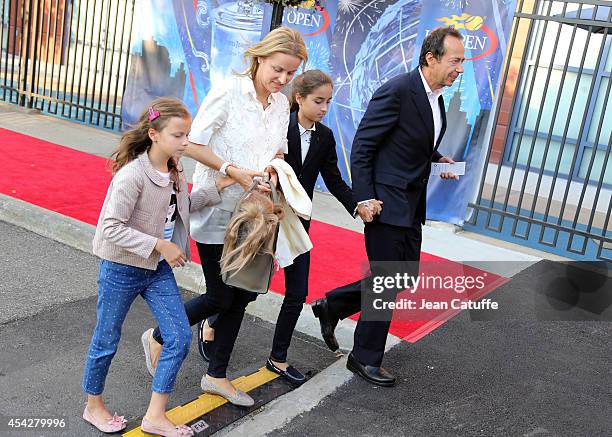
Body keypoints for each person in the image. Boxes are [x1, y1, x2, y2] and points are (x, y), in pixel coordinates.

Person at [142, 26, 308, 407]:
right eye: (277, 69)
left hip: (255, 214)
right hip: (217, 207)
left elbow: (277, 151)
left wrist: (271, 171)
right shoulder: (229, 92)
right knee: (221, 295)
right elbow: (192, 143)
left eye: (290, 73)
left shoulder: (282, 105)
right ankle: (159, 336)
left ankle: (216, 375)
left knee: (244, 293)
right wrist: (232, 169)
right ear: (260, 58)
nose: (282, 79)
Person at [311, 27, 465, 387]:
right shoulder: (397, 91)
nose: (460, 69)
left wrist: (437, 156)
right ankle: (364, 358)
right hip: (384, 202)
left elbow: (411, 138)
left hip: (410, 204)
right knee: (385, 281)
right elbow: (363, 146)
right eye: (455, 61)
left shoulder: (435, 97)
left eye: (462, 61)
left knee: (403, 276)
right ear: (431, 58)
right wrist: (363, 199)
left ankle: (332, 305)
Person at [82, 98, 231, 437]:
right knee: (106, 339)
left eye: (188, 135)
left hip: (156, 268)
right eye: (179, 135)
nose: (185, 143)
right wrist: (160, 244)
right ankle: (93, 406)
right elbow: (110, 228)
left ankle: (155, 416)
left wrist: (217, 187)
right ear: (153, 134)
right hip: (121, 266)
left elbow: (183, 206)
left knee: (178, 337)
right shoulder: (132, 176)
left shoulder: (175, 169)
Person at [198, 69, 356, 385]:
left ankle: (278, 359)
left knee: (298, 291)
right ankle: (211, 321)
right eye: (318, 101)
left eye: (328, 102)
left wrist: (356, 204)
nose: (324, 108)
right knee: (248, 289)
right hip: (265, 216)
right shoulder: (279, 123)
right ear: (299, 98)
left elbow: (334, 178)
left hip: (296, 224)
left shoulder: (325, 137)